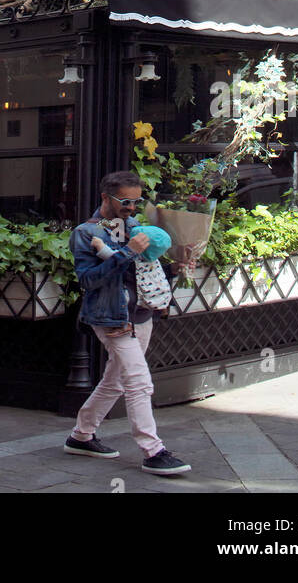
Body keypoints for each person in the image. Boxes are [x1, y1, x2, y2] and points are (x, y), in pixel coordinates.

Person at [65, 170, 191, 476]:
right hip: (111, 317)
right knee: (138, 381)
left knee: (117, 380)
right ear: (106, 197)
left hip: (142, 315)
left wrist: (176, 266)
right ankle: (153, 450)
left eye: (137, 201)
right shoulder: (85, 233)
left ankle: (81, 435)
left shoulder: (135, 226)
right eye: (125, 201)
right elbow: (88, 280)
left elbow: (146, 270)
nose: (132, 208)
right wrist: (126, 252)